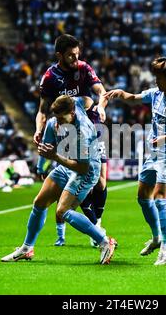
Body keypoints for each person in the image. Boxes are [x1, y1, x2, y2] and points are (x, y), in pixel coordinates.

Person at [104, 56, 166, 265]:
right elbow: (136, 98)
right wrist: (121, 94)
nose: (156, 81)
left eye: (159, 77)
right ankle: (156, 237)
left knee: (161, 198)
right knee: (143, 196)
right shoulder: (156, 93)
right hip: (152, 153)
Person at [1, 95, 117, 264]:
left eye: (62, 118)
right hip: (66, 164)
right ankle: (26, 248)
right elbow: (46, 144)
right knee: (39, 203)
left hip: (86, 170)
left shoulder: (82, 131)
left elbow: (82, 168)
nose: (59, 122)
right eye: (56, 117)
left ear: (72, 113)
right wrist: (41, 166)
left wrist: (54, 156)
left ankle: (105, 241)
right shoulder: (60, 116)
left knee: (63, 211)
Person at [34, 34, 109, 247]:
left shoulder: (84, 68)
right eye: (70, 55)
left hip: (92, 125)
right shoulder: (50, 77)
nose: (76, 59)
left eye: (77, 54)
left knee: (101, 180)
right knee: (80, 175)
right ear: (59, 55)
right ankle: (95, 227)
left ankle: (98, 223)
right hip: (67, 132)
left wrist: (101, 105)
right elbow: (42, 110)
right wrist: (39, 129)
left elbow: (101, 91)